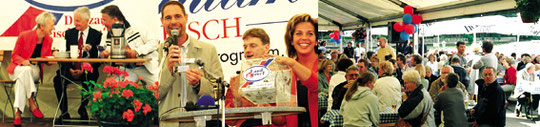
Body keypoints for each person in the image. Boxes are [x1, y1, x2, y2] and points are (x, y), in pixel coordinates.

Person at [158, 1, 223, 126]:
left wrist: (199, 84)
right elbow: (153, 95)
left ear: (186, 18)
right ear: (162, 21)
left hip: (200, 122)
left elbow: (219, 91)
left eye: (177, 16)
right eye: (168, 18)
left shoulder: (208, 50)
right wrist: (168, 69)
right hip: (169, 122)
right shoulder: (156, 53)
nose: (173, 22)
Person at [52, 7, 102, 123]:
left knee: (91, 77)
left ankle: (82, 108)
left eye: (78, 21)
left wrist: (85, 68)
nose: (75, 23)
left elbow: (98, 59)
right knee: (57, 80)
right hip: (70, 69)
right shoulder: (69, 33)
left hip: (88, 70)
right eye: (74, 20)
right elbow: (64, 55)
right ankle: (64, 112)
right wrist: (69, 69)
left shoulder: (96, 35)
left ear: (87, 20)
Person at [225, 28, 283, 127]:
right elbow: (229, 121)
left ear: (266, 47)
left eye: (253, 46)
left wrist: (266, 107)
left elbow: (283, 120)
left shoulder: (280, 76)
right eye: (245, 47)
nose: (247, 50)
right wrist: (237, 100)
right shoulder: (237, 80)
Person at [6, 11, 55, 126]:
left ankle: (18, 115)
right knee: (24, 72)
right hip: (17, 69)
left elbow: (46, 60)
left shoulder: (49, 40)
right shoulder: (24, 35)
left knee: (23, 77)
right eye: (51, 25)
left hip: (34, 70)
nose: (53, 28)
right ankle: (31, 101)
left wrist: (53, 58)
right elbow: (14, 55)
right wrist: (23, 61)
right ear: (42, 26)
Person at [272, 13, 319, 127]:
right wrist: (266, 106)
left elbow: (315, 85)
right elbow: (281, 120)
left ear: (316, 40)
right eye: (298, 33)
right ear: (291, 40)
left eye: (310, 34)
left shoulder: (322, 64)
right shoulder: (285, 72)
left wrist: (292, 63)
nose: (304, 38)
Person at [100, 5, 159, 84]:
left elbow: (154, 42)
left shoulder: (137, 27)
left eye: (104, 20)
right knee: (115, 91)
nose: (103, 24)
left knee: (159, 89)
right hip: (125, 70)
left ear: (115, 19)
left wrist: (137, 52)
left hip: (146, 68)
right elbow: (102, 50)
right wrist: (105, 54)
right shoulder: (107, 34)